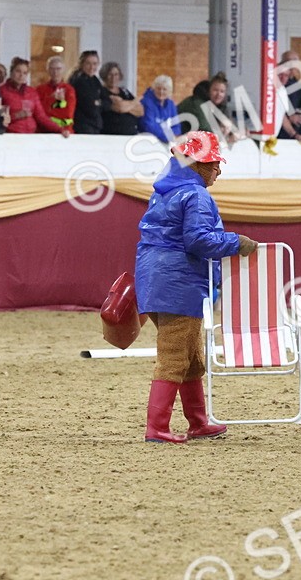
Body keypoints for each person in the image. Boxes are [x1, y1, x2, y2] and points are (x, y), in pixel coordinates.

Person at [135, 131, 259, 444]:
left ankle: (198, 422)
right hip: (180, 282)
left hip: (153, 278)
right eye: (215, 164)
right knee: (174, 356)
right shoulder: (196, 195)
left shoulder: (164, 191)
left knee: (190, 357)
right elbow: (199, 240)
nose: (218, 170)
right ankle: (157, 428)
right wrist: (236, 242)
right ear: (199, 165)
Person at [0, 58, 71, 136]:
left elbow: (41, 117)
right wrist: (16, 116)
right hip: (11, 135)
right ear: (11, 72)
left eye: (25, 73)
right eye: (18, 71)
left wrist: (60, 129)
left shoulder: (31, 92)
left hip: (31, 135)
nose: (21, 75)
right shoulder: (2, 91)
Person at [98, 61, 142, 136]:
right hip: (110, 135)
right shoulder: (101, 91)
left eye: (116, 74)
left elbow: (140, 111)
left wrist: (124, 104)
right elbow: (119, 108)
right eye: (110, 74)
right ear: (104, 76)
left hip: (130, 134)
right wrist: (133, 103)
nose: (113, 78)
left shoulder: (125, 91)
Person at [37, 55, 77, 131]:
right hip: (44, 131)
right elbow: (39, 113)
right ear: (48, 70)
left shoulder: (69, 90)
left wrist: (51, 112)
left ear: (63, 70)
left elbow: (68, 114)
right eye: (52, 69)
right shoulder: (40, 90)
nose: (55, 72)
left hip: (64, 132)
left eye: (58, 69)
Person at [69, 50, 103, 134]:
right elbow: (89, 106)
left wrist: (98, 102)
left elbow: (106, 100)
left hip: (94, 125)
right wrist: (98, 103)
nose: (91, 67)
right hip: (83, 125)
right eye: (88, 63)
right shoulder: (78, 80)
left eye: (94, 64)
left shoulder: (95, 80)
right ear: (82, 64)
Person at [139, 75, 181, 142]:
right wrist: (167, 137)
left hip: (167, 141)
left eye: (164, 89)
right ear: (154, 89)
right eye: (158, 88)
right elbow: (149, 126)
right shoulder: (147, 102)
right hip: (148, 141)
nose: (161, 92)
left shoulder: (171, 104)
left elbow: (177, 127)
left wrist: (171, 136)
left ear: (169, 91)